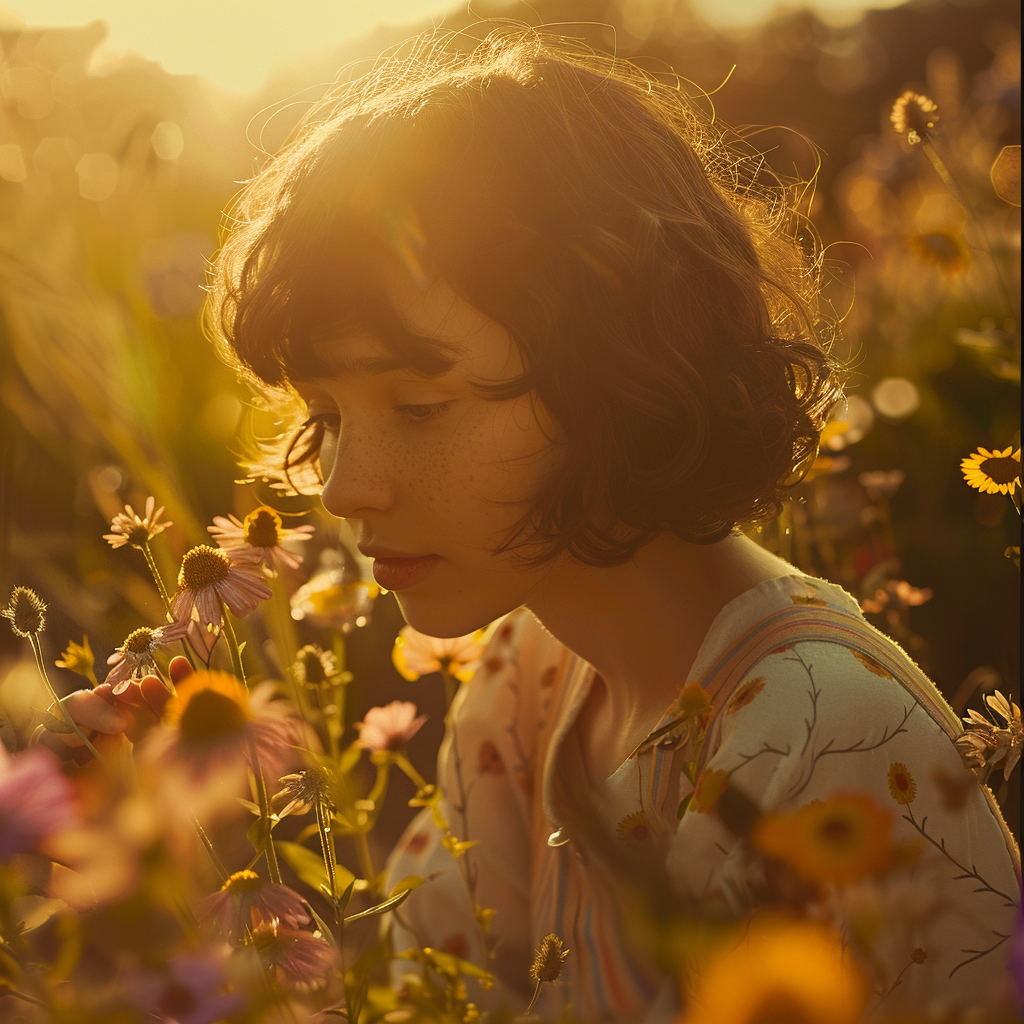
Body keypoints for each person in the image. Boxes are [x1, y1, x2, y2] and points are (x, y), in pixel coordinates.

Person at [54, 25, 1022, 1022]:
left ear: (617, 373)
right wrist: (155, 881)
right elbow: (420, 1002)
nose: (344, 488)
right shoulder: (527, 682)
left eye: (419, 407)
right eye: (328, 417)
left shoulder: (815, 741)